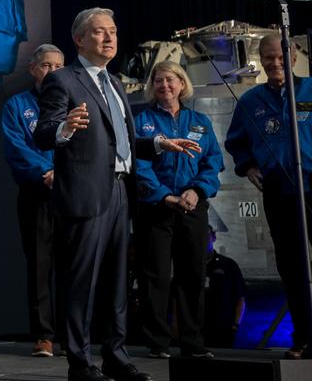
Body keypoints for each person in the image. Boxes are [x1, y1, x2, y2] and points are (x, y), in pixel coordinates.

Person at [33, 8, 200, 381]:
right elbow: (43, 133)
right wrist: (64, 127)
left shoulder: (115, 83)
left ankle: (116, 356)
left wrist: (157, 142)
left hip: (122, 190)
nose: (109, 38)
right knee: (81, 282)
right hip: (86, 194)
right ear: (79, 40)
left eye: (113, 31)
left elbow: (116, 142)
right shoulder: (63, 80)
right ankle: (79, 361)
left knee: (117, 282)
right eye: (99, 33)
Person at [224, 33, 312, 359]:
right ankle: (303, 338)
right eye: (268, 58)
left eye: (280, 57)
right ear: (260, 60)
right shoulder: (250, 102)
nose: (275, 63)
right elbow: (236, 143)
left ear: (292, 57)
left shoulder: (310, 90)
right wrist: (248, 167)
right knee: (292, 268)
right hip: (280, 194)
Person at [133, 61, 223, 359]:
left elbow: (213, 163)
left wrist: (196, 191)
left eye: (170, 80)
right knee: (155, 276)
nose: (165, 86)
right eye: (158, 81)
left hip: (192, 207)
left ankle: (192, 341)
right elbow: (138, 165)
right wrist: (164, 197)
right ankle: (157, 342)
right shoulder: (141, 120)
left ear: (182, 84)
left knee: (192, 275)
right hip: (155, 209)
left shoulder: (200, 121)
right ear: (152, 86)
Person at [1, 44, 64, 357]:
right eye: (45, 66)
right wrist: (47, 172)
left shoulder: (75, 102)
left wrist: (65, 174)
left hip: (72, 194)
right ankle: (44, 336)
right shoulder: (17, 105)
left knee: (73, 267)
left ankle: (72, 334)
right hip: (36, 193)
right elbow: (15, 147)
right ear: (33, 69)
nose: (51, 71)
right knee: (40, 267)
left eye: (57, 66)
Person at [203, 228, 246, 349]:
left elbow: (240, 297)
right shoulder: (189, 266)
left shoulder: (228, 265)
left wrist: (235, 325)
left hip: (223, 330)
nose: (203, 240)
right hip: (196, 331)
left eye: (206, 235)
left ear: (213, 237)